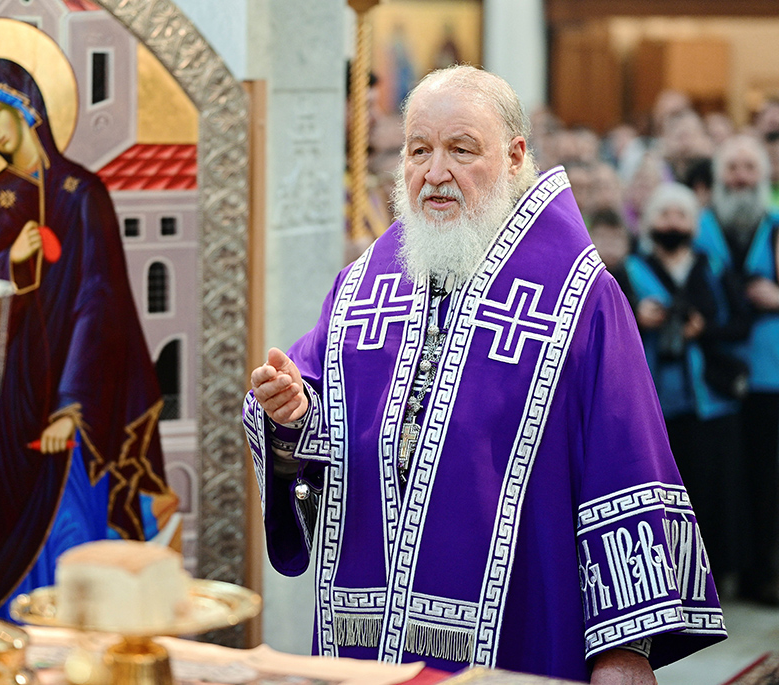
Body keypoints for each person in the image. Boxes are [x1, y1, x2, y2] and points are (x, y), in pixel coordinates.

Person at [244, 66, 726, 683]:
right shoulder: (363, 284)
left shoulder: (579, 299)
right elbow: (311, 413)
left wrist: (623, 653)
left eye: (461, 150)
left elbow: (624, 468)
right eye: (418, 150)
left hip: (515, 638)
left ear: (515, 156)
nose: (434, 172)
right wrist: (291, 414)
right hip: (365, 648)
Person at [0, 58, 175, 617]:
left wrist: (73, 407)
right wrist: (8, 260)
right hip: (3, 411)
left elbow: (101, 300)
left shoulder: (82, 192)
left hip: (71, 404)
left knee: (73, 545)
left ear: (27, 107)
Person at [624, 183, 750, 590]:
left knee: (715, 489)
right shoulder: (628, 270)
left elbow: (740, 324)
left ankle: (714, 579)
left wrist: (703, 328)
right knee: (666, 493)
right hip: (656, 404)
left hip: (712, 401)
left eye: (681, 215)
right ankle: (671, 582)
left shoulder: (712, 268)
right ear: (648, 223)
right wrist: (638, 319)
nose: (672, 223)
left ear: (693, 224)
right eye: (664, 215)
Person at [695, 134, 779, 605]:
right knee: (722, 475)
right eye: (733, 168)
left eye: (749, 168)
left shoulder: (777, 226)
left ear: (762, 178)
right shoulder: (699, 226)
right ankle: (719, 573)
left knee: (766, 478)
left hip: (769, 371)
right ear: (720, 177)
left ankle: (761, 573)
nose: (741, 177)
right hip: (713, 375)